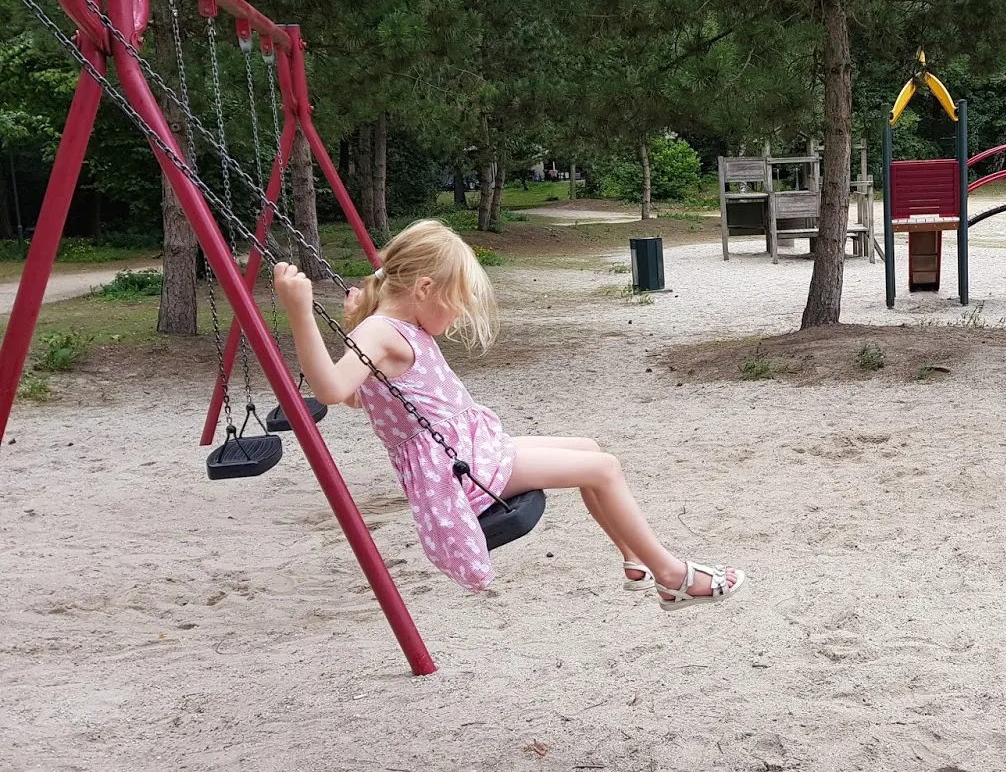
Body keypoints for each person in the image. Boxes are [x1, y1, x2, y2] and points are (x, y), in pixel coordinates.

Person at [271, 219, 743, 609]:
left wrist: (353, 325)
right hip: (458, 471)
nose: (456, 317)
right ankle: (672, 576)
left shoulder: (390, 328)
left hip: (472, 452)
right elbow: (333, 392)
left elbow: (361, 396)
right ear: (424, 287)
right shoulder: (382, 329)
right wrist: (300, 313)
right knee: (604, 468)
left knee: (590, 451)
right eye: (454, 304)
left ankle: (632, 554)